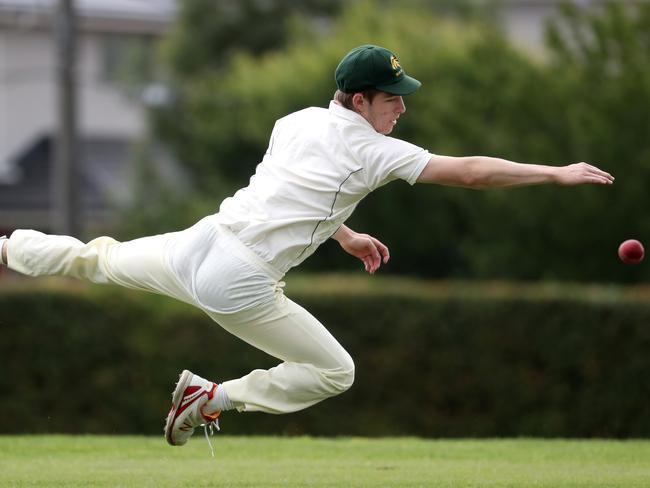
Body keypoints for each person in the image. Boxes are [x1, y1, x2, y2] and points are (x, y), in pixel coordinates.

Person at [0, 45, 614, 449]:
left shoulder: (294, 121)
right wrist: (555, 173)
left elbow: (297, 192)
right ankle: (213, 397)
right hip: (237, 277)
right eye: (390, 96)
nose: (401, 106)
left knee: (98, 257)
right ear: (357, 100)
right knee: (335, 372)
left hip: (203, 241)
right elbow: (473, 172)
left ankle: (8, 248)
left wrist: (343, 234)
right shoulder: (372, 149)